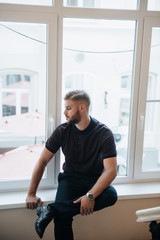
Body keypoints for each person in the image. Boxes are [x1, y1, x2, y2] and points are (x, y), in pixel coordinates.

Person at [26, 90, 118, 240]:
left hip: (93, 181)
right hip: (69, 179)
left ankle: (51, 210)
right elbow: (42, 161)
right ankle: (57, 211)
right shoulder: (62, 131)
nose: (64, 112)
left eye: (68, 108)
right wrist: (31, 194)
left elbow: (111, 170)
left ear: (82, 108)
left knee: (111, 195)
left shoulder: (104, 133)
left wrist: (90, 195)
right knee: (62, 219)